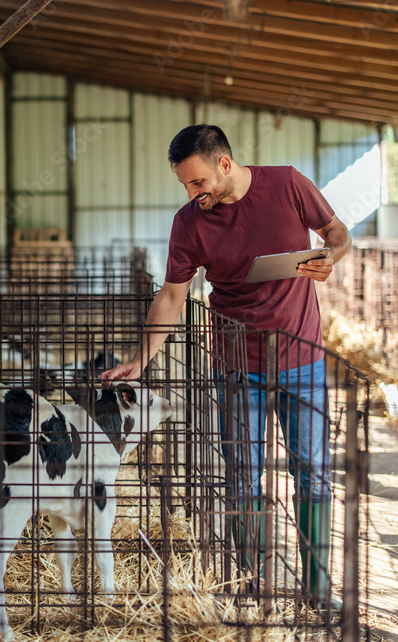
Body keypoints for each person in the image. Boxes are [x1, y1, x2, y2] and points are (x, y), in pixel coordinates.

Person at [100, 124, 351, 610]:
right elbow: (173, 294)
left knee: (314, 473)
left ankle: (318, 588)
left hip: (303, 361)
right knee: (240, 478)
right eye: (185, 186)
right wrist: (140, 359)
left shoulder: (288, 185)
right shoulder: (189, 223)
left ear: (225, 165)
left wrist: (329, 257)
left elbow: (337, 233)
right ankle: (252, 582)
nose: (194, 194)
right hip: (237, 368)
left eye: (198, 183)